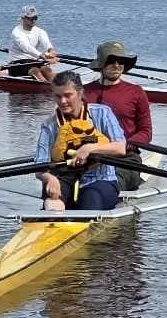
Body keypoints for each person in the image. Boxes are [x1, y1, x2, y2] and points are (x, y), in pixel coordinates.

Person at [33, 71, 126, 213]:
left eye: (67, 95)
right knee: (52, 199)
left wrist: (89, 148)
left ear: (80, 93)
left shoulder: (102, 113)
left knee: (90, 199)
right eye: (58, 96)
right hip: (62, 178)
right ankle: (52, 219)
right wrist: (49, 178)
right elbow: (39, 166)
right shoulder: (49, 125)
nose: (62, 101)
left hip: (99, 179)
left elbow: (120, 148)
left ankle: (87, 222)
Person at [82, 39, 152, 191]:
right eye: (111, 61)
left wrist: (122, 145)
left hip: (125, 157)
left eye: (121, 61)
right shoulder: (82, 92)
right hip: (88, 155)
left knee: (109, 184)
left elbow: (146, 132)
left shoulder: (136, 93)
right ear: (101, 65)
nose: (117, 65)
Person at [7, 5, 59, 81]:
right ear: (22, 18)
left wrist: (51, 51)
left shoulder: (40, 31)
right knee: (35, 70)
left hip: (34, 61)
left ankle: (58, 86)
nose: (33, 20)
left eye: (35, 18)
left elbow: (47, 44)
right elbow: (27, 48)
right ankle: (46, 88)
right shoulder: (16, 32)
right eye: (30, 18)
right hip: (17, 64)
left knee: (47, 70)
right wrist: (42, 56)